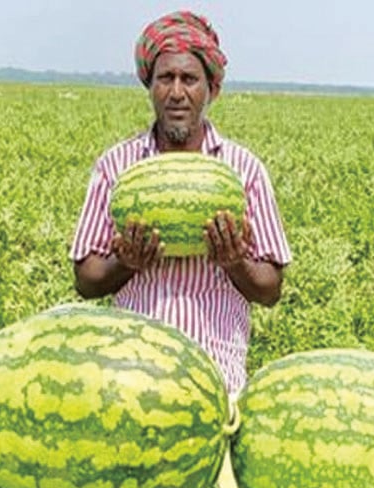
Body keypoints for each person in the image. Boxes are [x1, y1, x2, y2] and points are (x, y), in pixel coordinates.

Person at [70, 10, 292, 397]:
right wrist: (125, 263)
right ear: (149, 86)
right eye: (165, 79)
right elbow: (85, 281)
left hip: (217, 380)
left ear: (212, 90)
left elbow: (270, 290)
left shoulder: (244, 171)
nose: (176, 92)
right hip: (131, 376)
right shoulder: (115, 167)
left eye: (189, 79)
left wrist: (234, 262)